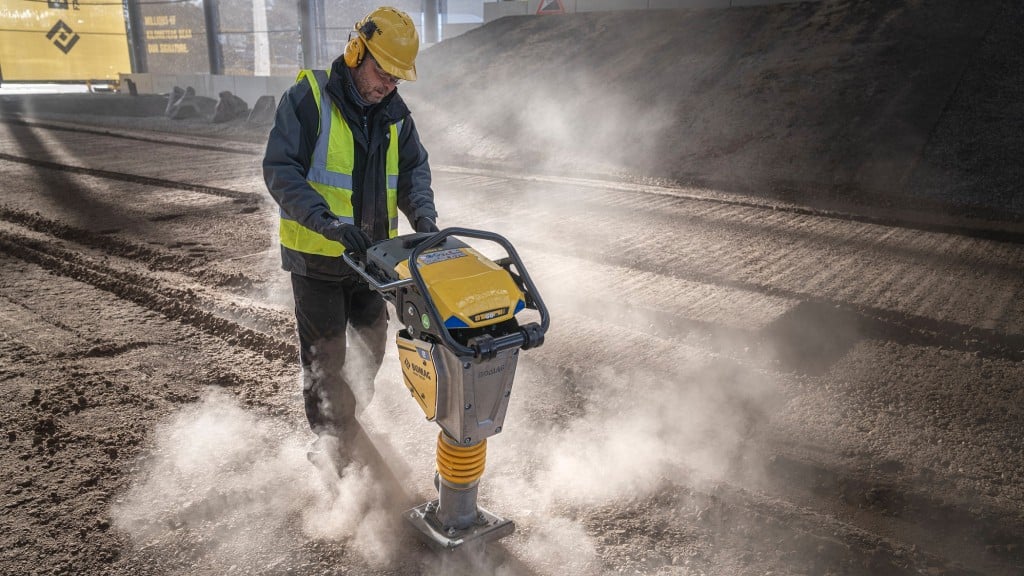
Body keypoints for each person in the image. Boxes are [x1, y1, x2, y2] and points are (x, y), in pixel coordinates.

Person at [262, 6, 438, 470]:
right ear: (357, 51)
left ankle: (344, 426)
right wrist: (326, 222)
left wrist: (425, 220)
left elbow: (414, 172)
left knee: (370, 352)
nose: (388, 86)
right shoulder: (309, 98)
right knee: (326, 365)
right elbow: (280, 171)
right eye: (383, 72)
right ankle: (333, 448)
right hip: (317, 260)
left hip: (371, 263)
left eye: (397, 79)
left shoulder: (396, 115)